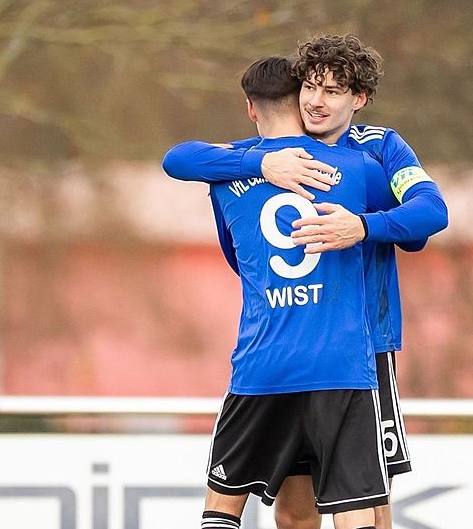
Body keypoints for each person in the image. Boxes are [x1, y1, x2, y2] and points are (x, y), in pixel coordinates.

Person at [164, 34, 447, 529]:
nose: (316, 101)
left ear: (359, 99)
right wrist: (260, 162)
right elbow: (180, 158)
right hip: (296, 341)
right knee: (296, 508)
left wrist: (363, 226)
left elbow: (429, 213)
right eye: (310, 88)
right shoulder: (262, 156)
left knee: (372, 498)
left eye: (332, 92)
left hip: (364, 344)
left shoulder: (378, 148)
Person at [198, 56, 394, 529]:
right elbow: (417, 227)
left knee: (222, 506)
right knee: (356, 509)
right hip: (341, 365)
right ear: (300, 100)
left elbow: (236, 258)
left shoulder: (224, 176)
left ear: (250, 108)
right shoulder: (358, 166)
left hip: (262, 365)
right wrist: (362, 227)